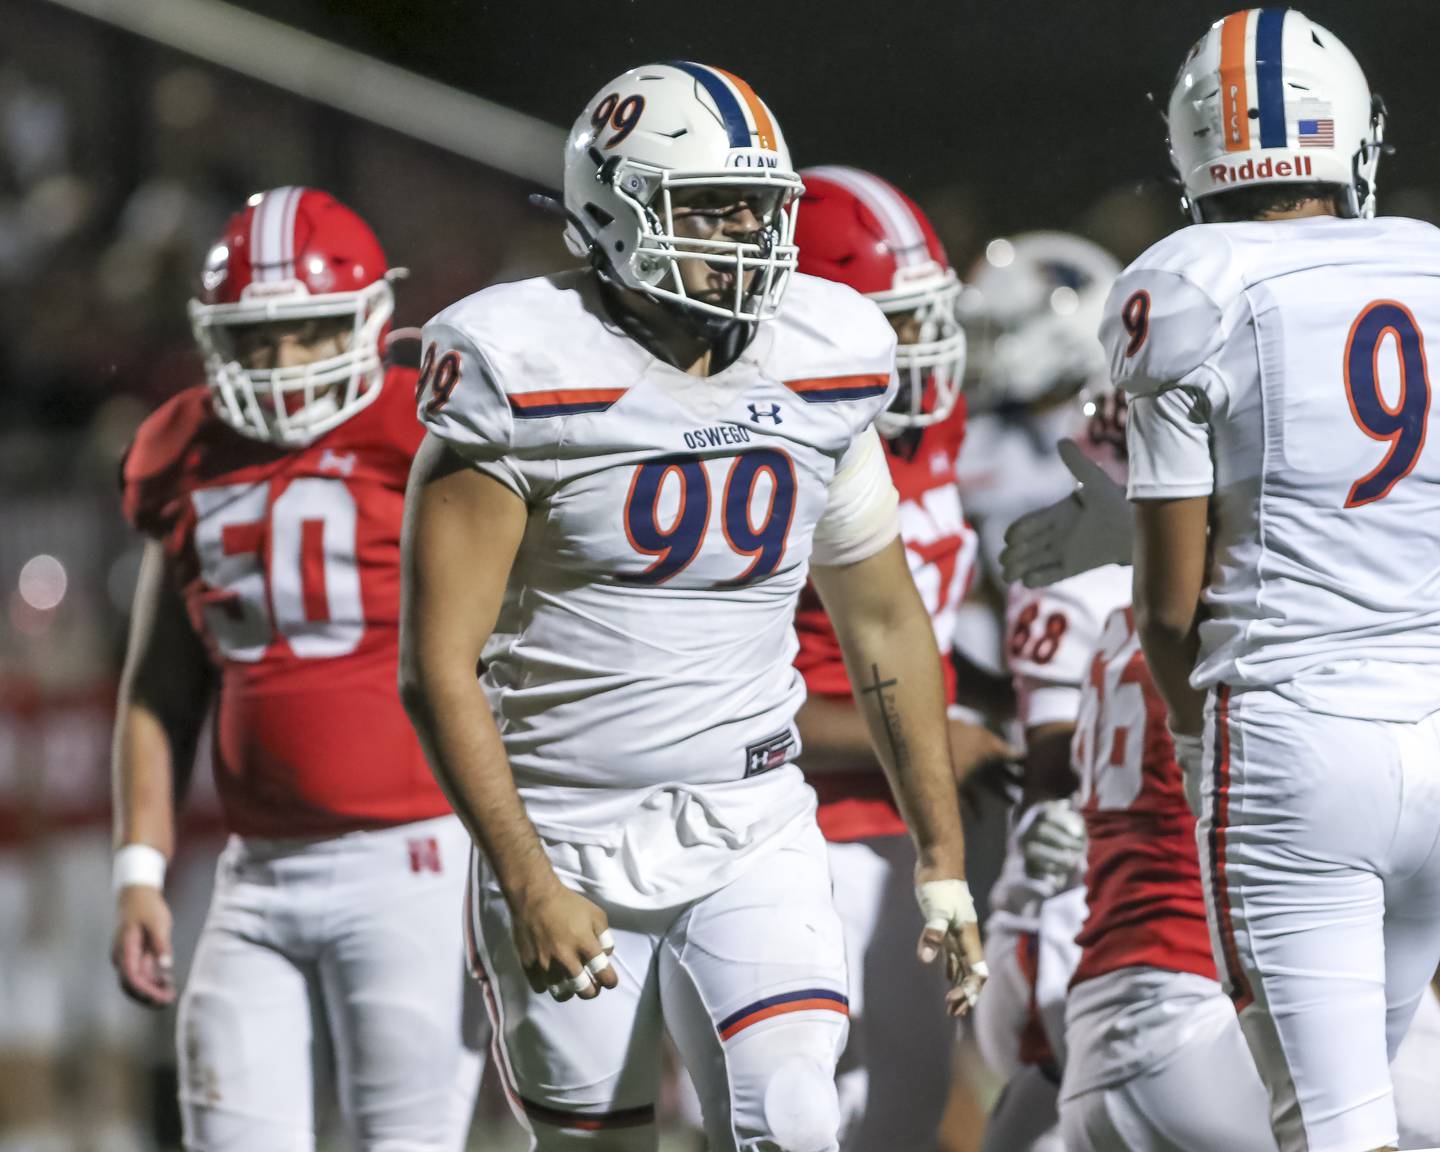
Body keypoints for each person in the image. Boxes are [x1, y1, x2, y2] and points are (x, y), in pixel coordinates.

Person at [399, 63, 983, 1152]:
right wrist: (526, 880)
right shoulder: (520, 367)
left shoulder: (825, 354)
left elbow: (883, 620)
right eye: (710, 208)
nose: (747, 236)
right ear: (611, 207)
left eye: (760, 208)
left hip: (750, 815)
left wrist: (939, 856)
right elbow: (436, 665)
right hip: (564, 827)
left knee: (799, 1115)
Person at [1063, 10, 1440, 1151]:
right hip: (1436, 713)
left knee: (1332, 1125)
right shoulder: (1428, 260)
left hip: (1288, 734)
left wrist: (1193, 739)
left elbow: (1169, 608)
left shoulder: (1188, 282)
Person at [111, 186, 482, 1151]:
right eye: (255, 339)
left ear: (368, 323)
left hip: (417, 859)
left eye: (311, 332)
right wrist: (140, 867)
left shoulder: (434, 427)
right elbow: (161, 683)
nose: (281, 365)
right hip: (256, 873)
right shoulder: (181, 450)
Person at [789, 164, 1006, 1152]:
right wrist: (925, 737)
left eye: (928, 315)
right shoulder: (774, 450)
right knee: (804, 1120)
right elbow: (731, 701)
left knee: (911, 1114)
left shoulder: (939, 423)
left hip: (919, 829)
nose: (921, 346)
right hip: (806, 832)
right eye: (894, 321)